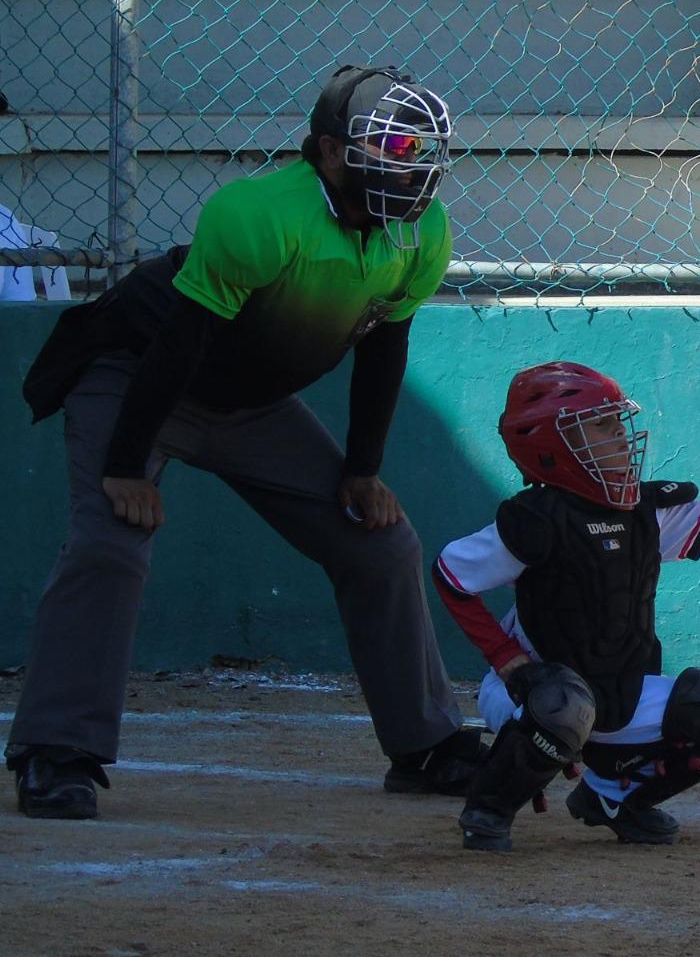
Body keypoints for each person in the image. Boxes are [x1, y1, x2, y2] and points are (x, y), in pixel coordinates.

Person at [7, 64, 485, 819]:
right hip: (139, 379)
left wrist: (362, 471)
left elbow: (386, 344)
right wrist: (128, 466)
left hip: (248, 403)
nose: (411, 166)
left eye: (422, 149)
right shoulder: (258, 212)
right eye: (391, 146)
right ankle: (55, 753)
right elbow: (177, 343)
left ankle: (426, 747)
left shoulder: (420, 230)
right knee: (110, 542)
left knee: (379, 544)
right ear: (329, 150)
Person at [431, 361, 700, 850]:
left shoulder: (644, 511)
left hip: (616, 690)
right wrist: (508, 663)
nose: (621, 435)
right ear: (551, 445)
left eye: (619, 422)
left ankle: (612, 797)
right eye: (600, 425)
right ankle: (489, 808)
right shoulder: (536, 521)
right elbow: (452, 576)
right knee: (563, 705)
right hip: (532, 691)